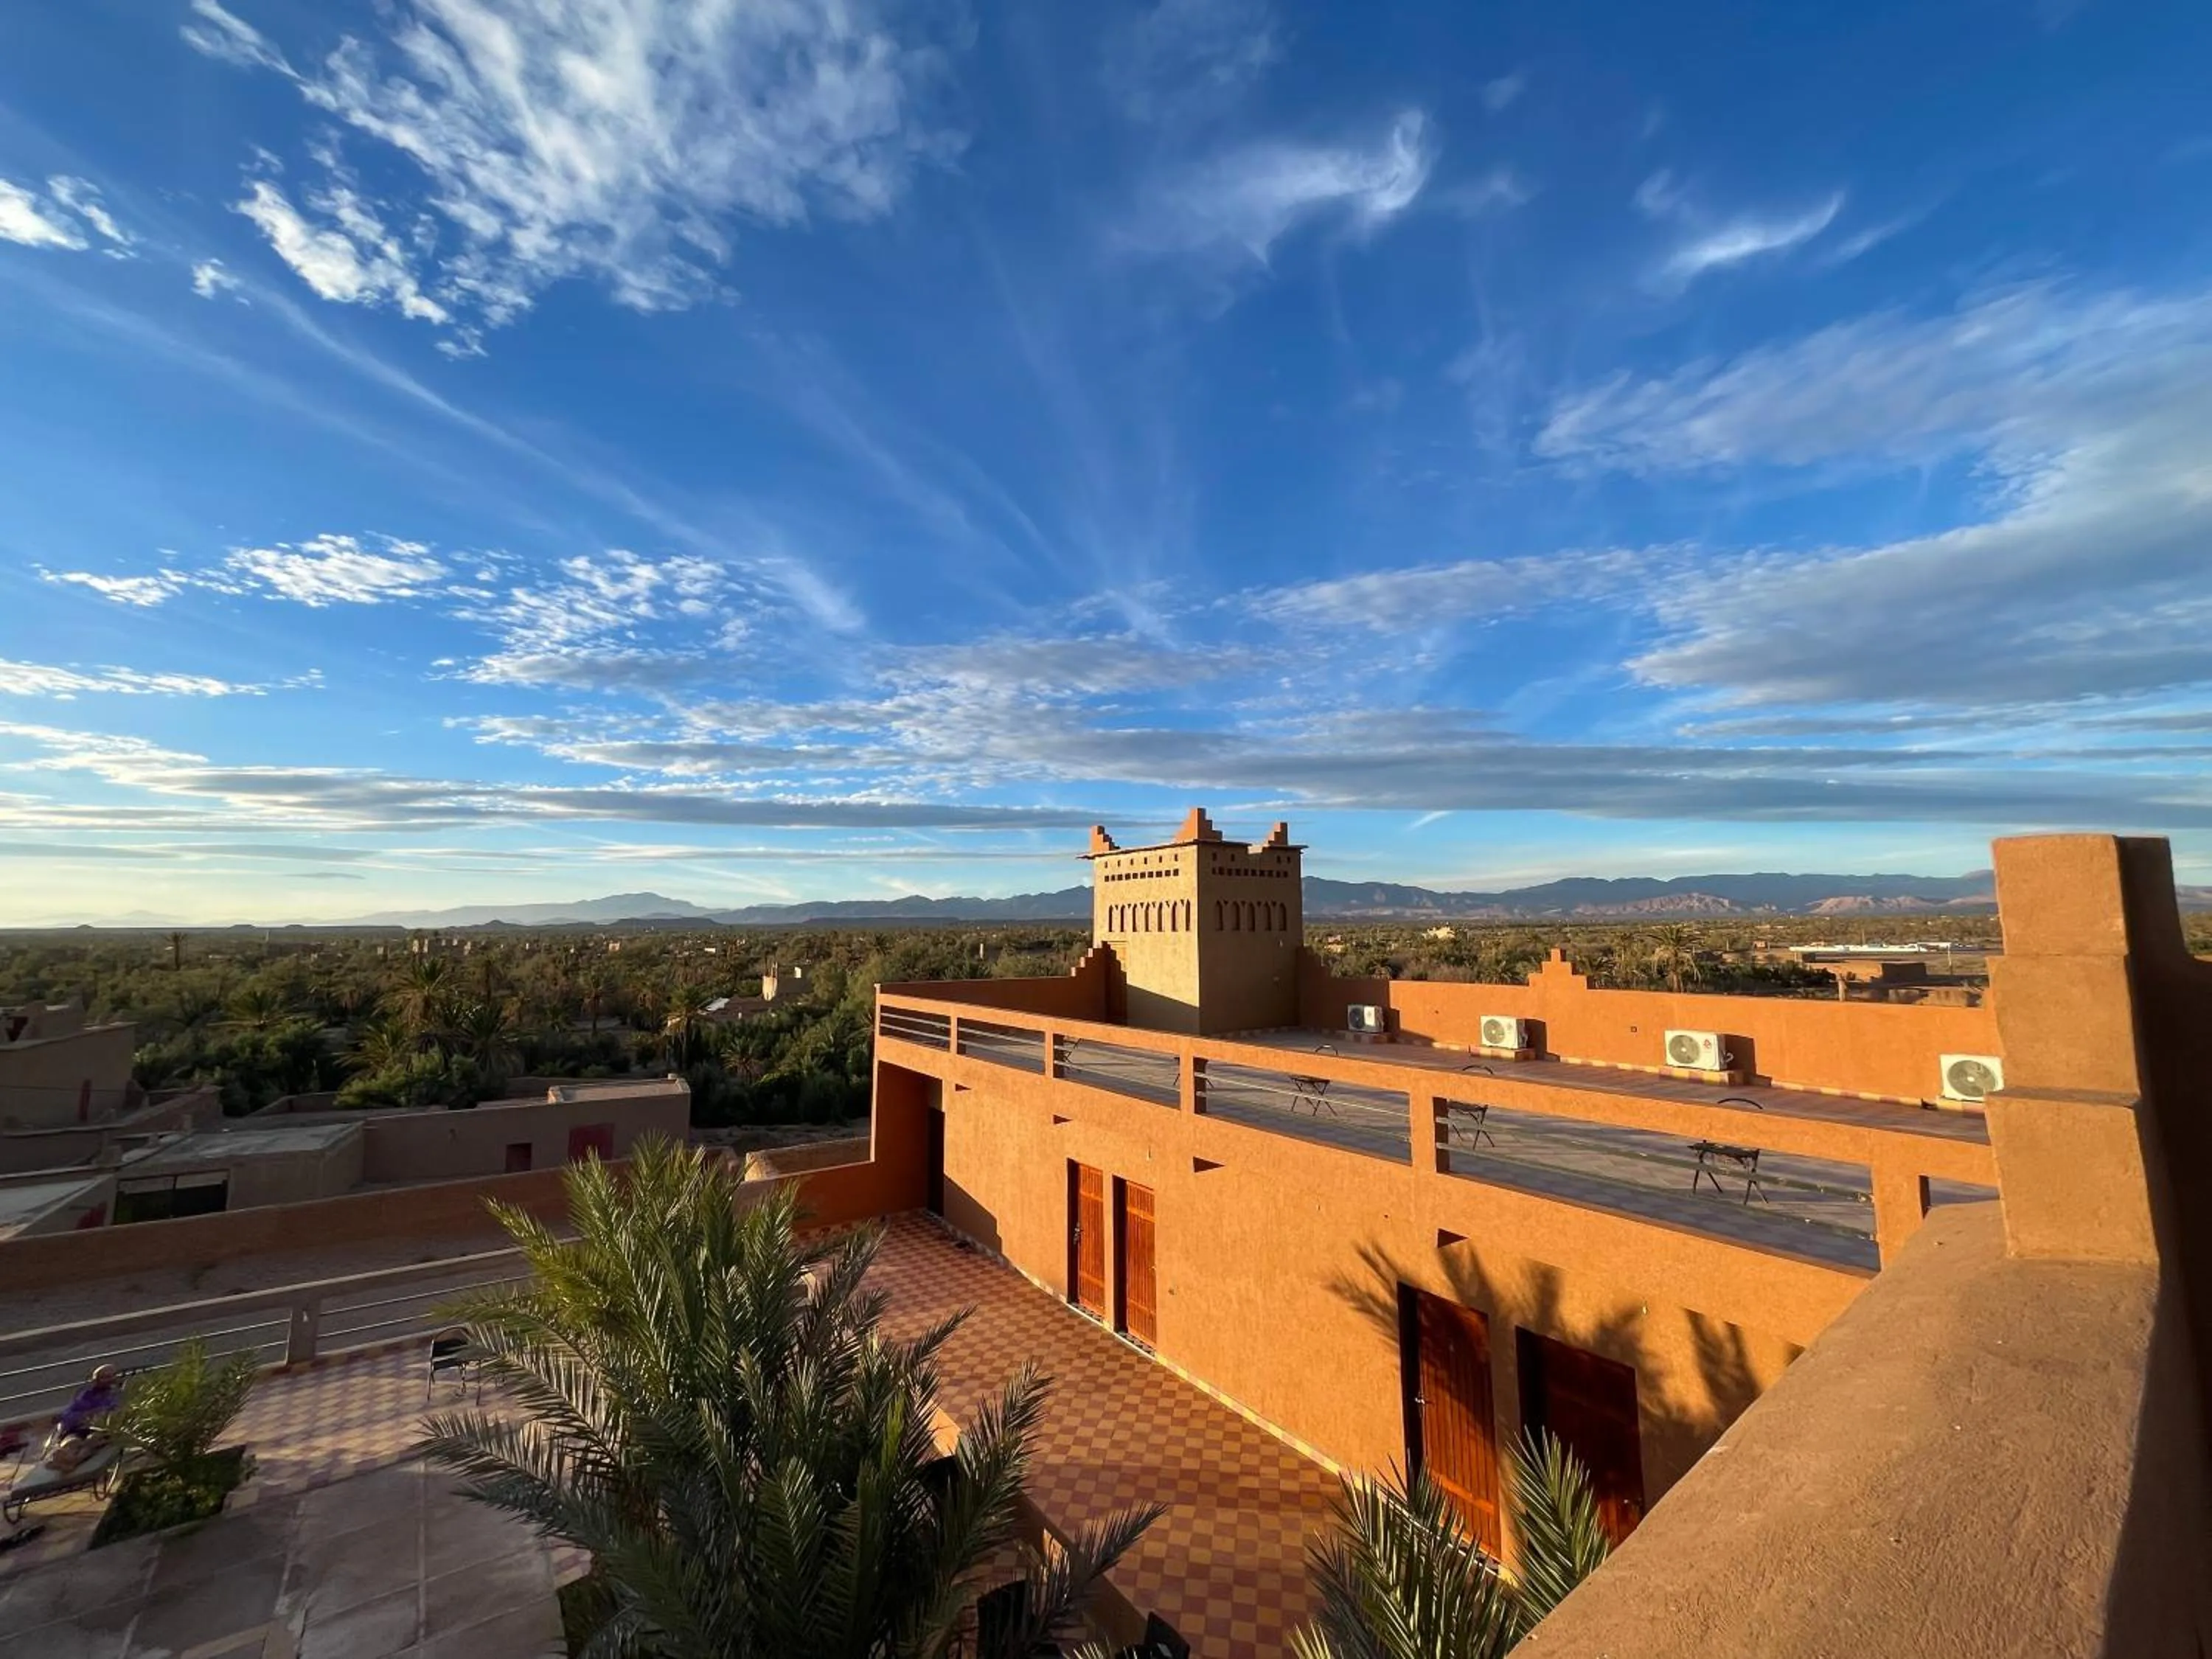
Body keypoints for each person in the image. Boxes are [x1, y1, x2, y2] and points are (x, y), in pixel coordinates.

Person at [43, 1366, 120, 1475]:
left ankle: (71, 1461)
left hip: (102, 1429)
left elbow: (114, 1412)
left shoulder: (116, 1395)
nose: (109, 1380)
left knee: (92, 1440)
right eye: (103, 1378)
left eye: (111, 1376)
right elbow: (69, 1413)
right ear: (95, 1380)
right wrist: (81, 1416)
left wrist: (91, 1414)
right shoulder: (85, 1395)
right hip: (79, 1428)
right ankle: (66, 1459)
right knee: (71, 1442)